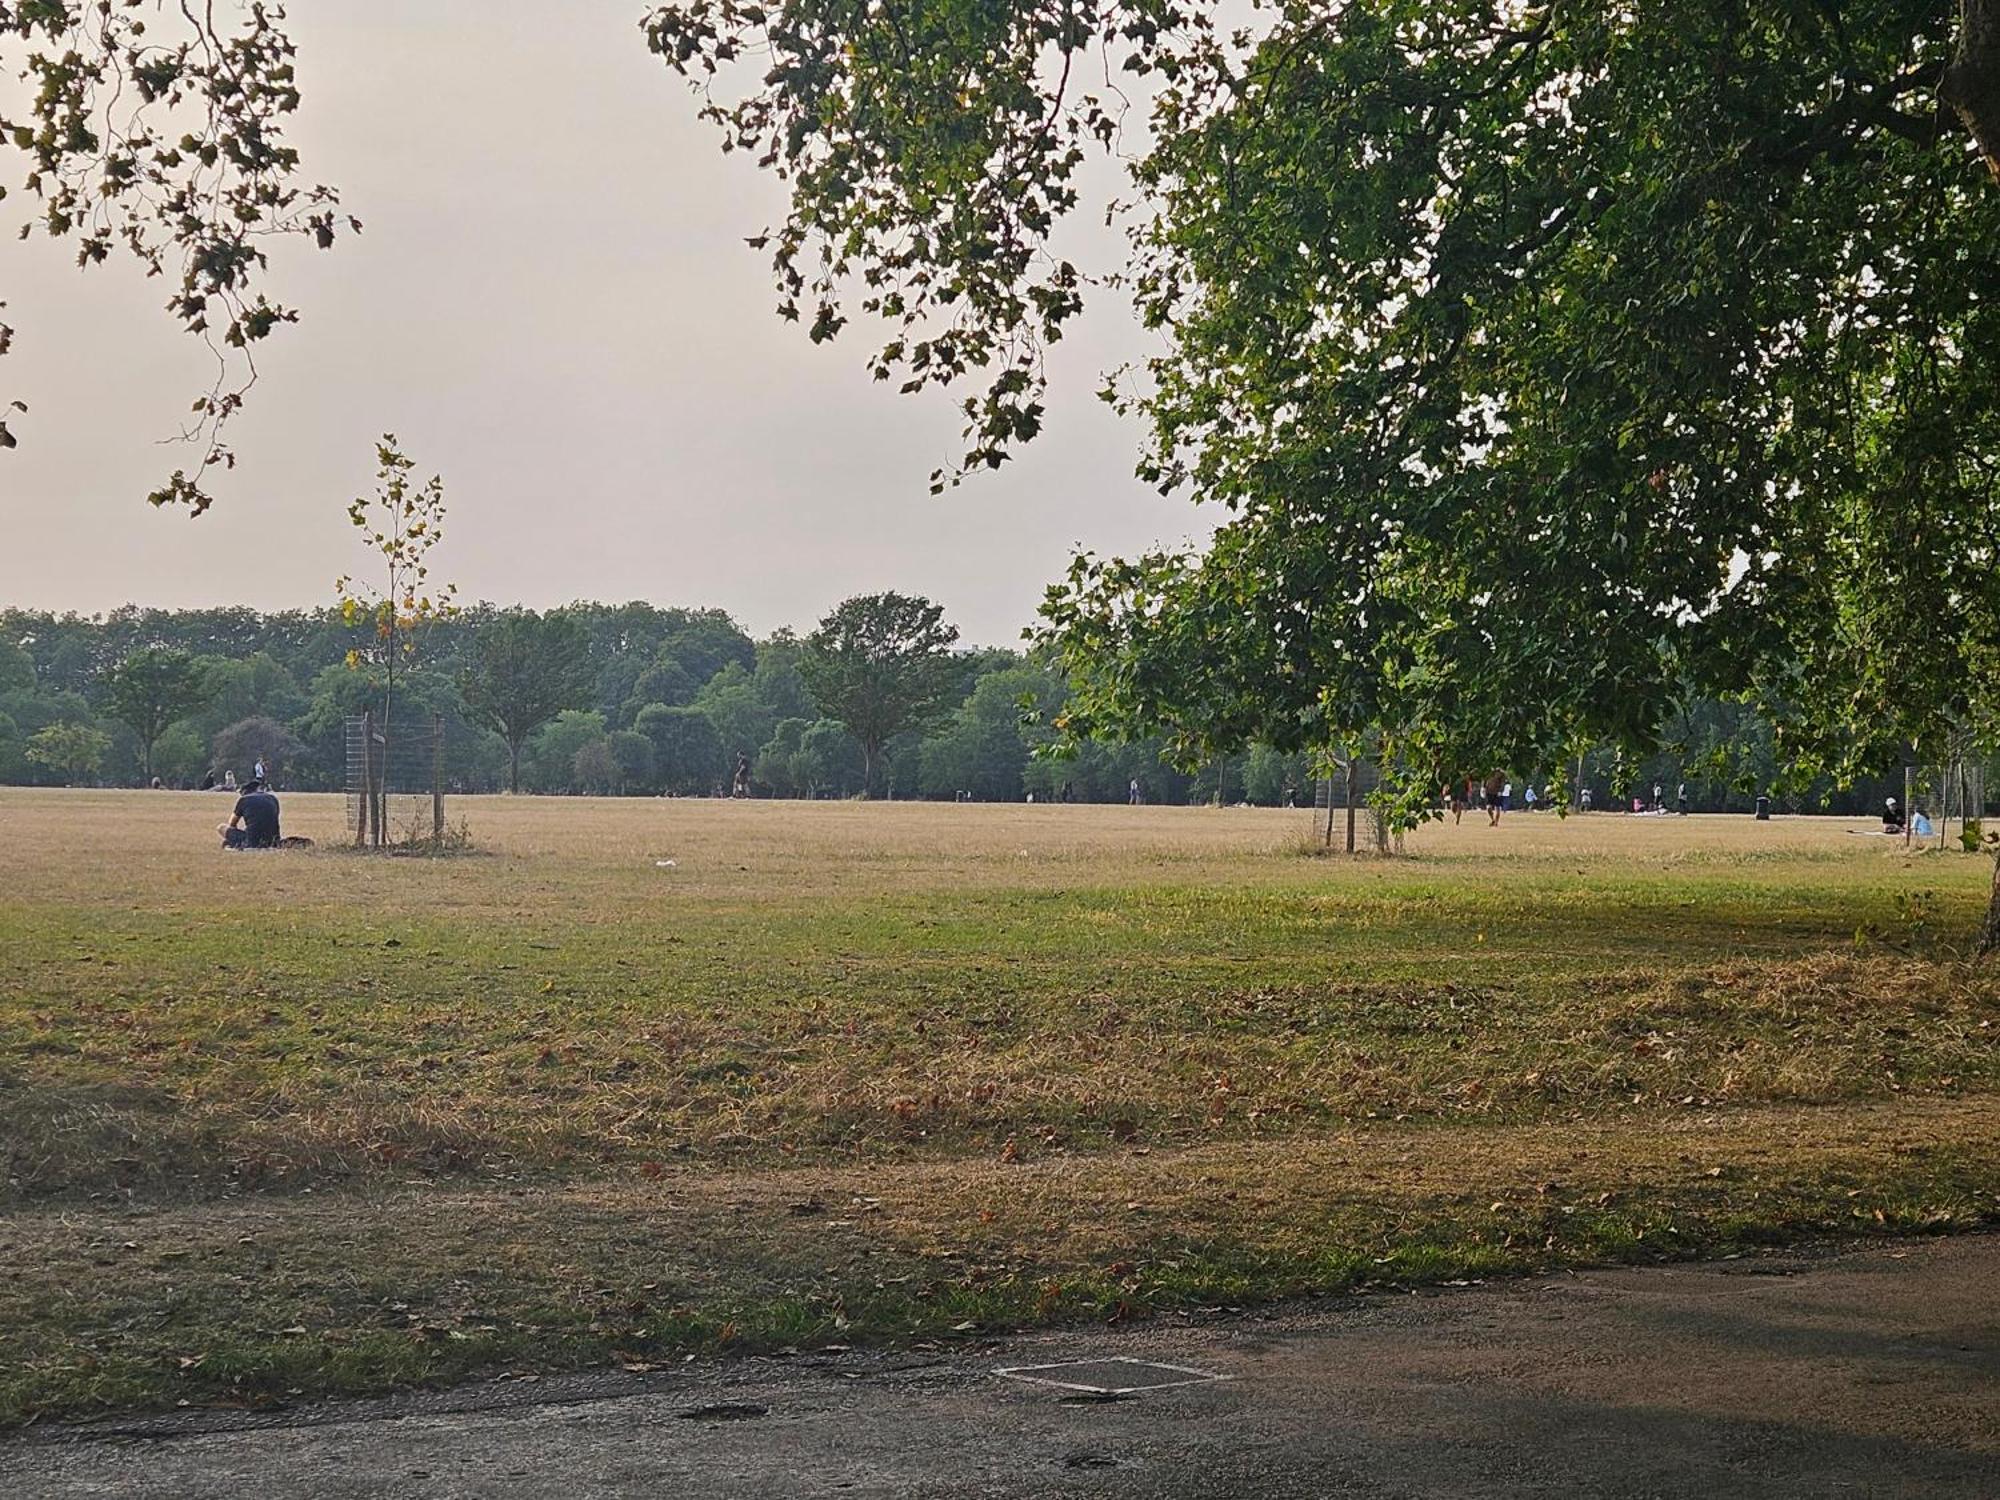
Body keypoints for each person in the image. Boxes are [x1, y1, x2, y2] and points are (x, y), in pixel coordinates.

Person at [221, 779, 281, 849]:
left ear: (244, 792)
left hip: (252, 842)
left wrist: (233, 838)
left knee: (221, 827)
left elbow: (232, 823)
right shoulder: (272, 798)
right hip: (273, 841)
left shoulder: (244, 799)